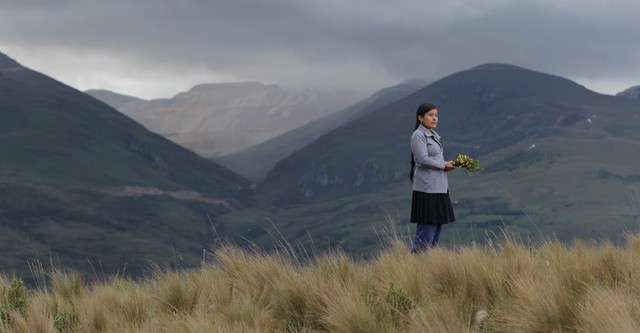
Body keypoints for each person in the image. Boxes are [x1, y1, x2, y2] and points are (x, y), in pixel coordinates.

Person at [409, 102, 456, 253]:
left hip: (439, 188)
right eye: (430, 115)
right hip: (427, 190)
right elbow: (422, 159)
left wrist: (447, 164)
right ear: (420, 117)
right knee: (426, 233)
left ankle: (428, 268)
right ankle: (416, 266)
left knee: (436, 230)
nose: (435, 118)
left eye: (436, 115)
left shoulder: (434, 136)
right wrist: (443, 166)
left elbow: (434, 160)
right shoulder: (418, 135)